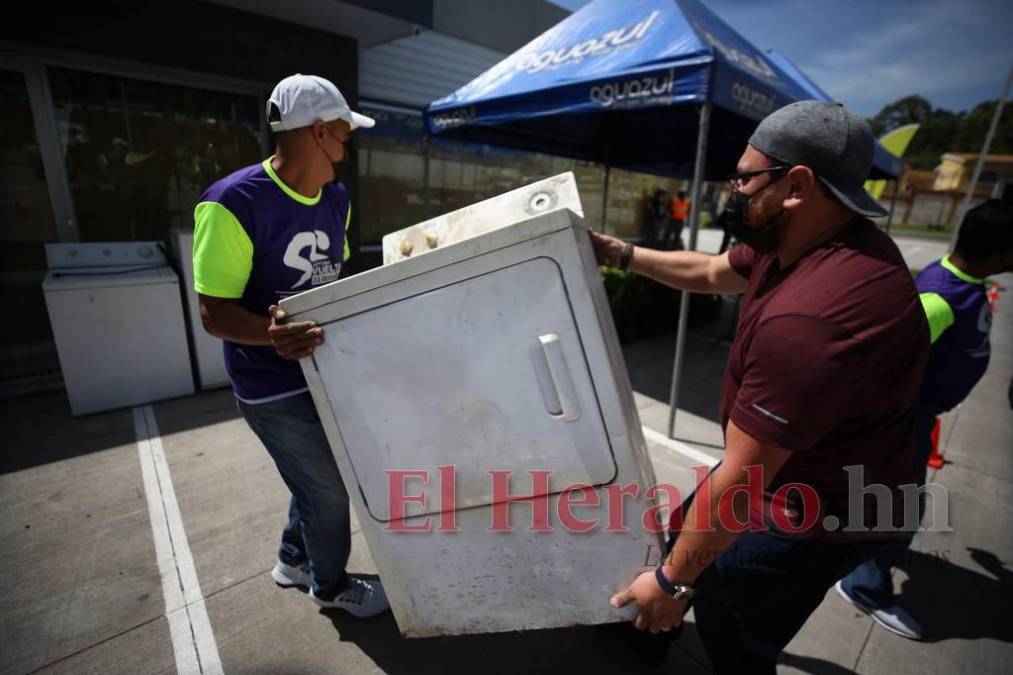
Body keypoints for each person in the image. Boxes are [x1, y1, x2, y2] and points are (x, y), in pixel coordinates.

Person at [592, 100, 929, 672]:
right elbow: (708, 272)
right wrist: (619, 254)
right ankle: (648, 630)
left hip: (812, 518)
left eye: (745, 177)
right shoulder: (803, 240)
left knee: (735, 622)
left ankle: (675, 615)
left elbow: (744, 483)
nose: (735, 190)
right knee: (683, 536)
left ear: (796, 185)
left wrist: (672, 584)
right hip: (789, 478)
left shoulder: (813, 318)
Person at [192, 74, 388, 617]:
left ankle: (292, 560)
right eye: (344, 136)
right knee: (329, 490)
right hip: (269, 386)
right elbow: (213, 312)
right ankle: (329, 587)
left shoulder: (337, 198)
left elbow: (338, 272)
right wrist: (269, 335)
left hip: (324, 372)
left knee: (312, 477)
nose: (346, 150)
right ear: (320, 131)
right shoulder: (231, 202)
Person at [836, 198, 1013, 639]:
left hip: (917, 419)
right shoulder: (939, 300)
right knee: (897, 513)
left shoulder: (964, 281)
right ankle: (864, 586)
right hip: (903, 424)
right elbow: (879, 366)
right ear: (997, 256)